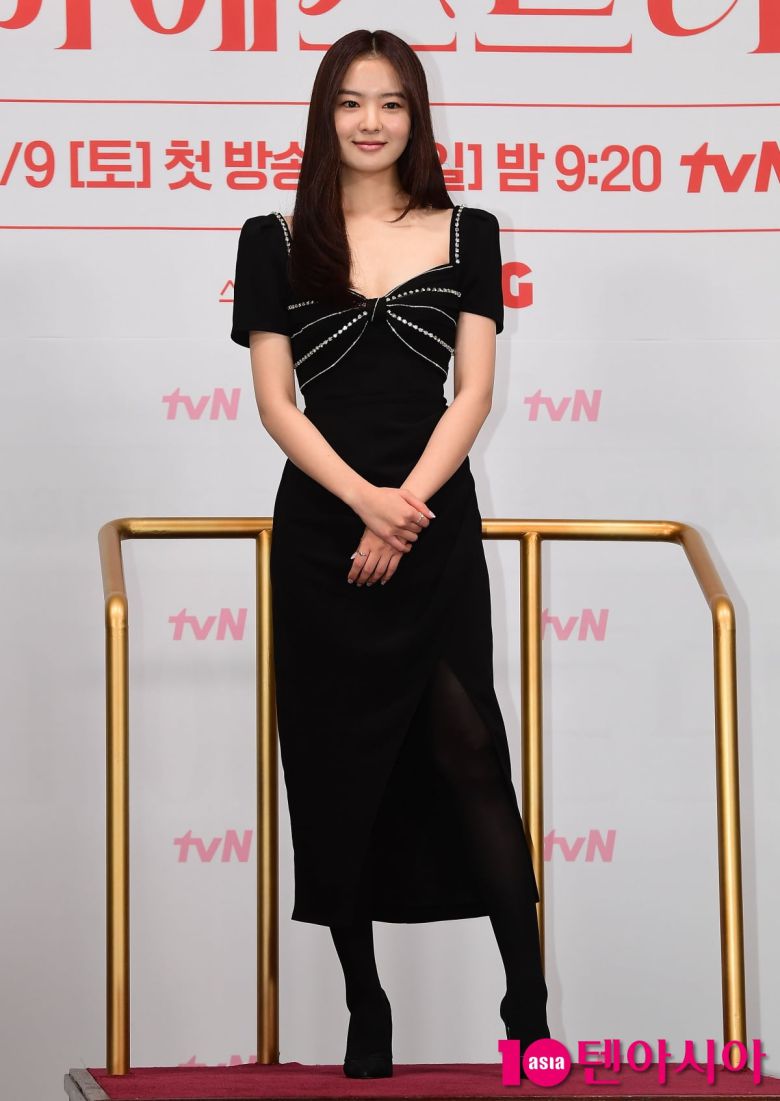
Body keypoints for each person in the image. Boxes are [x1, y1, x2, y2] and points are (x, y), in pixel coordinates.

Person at [230, 27, 550, 1080]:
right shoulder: (273, 238)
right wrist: (364, 503)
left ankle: (530, 1009)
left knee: (473, 754)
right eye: (351, 102)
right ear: (325, 115)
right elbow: (278, 405)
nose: (371, 122)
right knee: (337, 773)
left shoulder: (468, 232)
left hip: (433, 526)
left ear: (417, 117)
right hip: (324, 533)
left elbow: (474, 393)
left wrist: (404, 508)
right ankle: (366, 1006)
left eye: (392, 103)